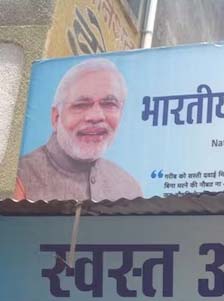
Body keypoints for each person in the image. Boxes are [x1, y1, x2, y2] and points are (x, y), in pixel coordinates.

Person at [14, 58, 142, 201]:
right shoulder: (20, 177)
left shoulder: (129, 189)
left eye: (109, 104)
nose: (96, 116)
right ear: (56, 117)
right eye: (81, 105)